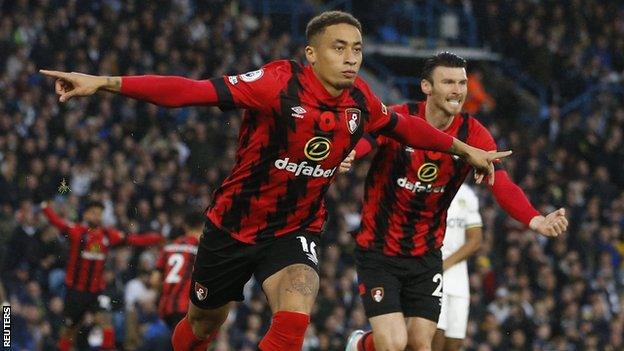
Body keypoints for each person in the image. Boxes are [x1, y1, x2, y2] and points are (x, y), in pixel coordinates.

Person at [41, 12, 509, 351]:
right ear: (311, 54)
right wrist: (104, 82)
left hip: (295, 229)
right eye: (339, 48)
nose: (351, 59)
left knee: (295, 316)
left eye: (358, 49)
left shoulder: (361, 99)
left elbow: (405, 127)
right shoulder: (277, 83)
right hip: (232, 226)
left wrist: (465, 150)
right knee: (202, 325)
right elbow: (192, 91)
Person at [345, 52, 568, 351]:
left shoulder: (474, 133)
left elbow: (501, 183)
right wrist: (348, 153)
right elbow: (364, 139)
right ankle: (360, 344)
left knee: (420, 344)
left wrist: (535, 219)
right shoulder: (398, 116)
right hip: (378, 249)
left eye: (462, 82)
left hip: (426, 253)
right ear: (426, 86)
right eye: (448, 82)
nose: (458, 90)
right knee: (393, 344)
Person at [41, 200, 163, 351]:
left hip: (97, 291)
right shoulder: (76, 231)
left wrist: (157, 238)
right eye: (94, 212)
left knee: (107, 324)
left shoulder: (108, 234)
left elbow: (133, 239)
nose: (97, 216)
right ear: (85, 214)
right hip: (76, 292)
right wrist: (43, 206)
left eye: (100, 213)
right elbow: (56, 221)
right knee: (69, 331)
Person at [431, 184, 483, 351]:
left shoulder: (467, 194)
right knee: (434, 339)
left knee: (455, 343)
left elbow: (475, 241)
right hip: (431, 275)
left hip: (459, 280)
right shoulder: (429, 187)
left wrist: (445, 264)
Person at [151, 211, 203, 332]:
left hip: (166, 307)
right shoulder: (201, 249)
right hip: (188, 307)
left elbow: (154, 281)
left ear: (185, 226)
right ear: (203, 226)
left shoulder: (169, 247)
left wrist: (169, 290)